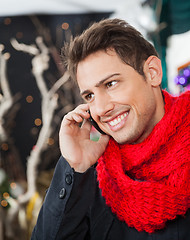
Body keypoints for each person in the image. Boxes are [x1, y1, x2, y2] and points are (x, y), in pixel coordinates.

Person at [31, 18, 190, 240]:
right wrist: (74, 167)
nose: (101, 108)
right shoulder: (91, 172)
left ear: (152, 72)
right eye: (90, 96)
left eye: (111, 84)